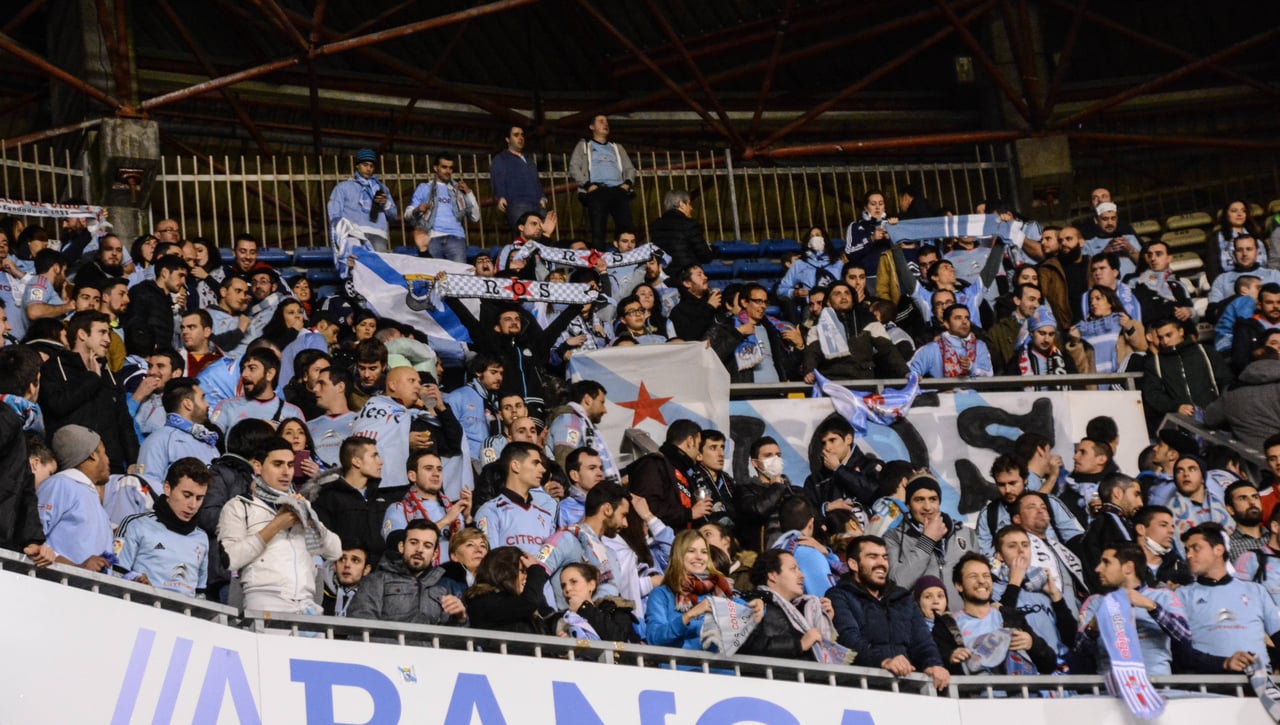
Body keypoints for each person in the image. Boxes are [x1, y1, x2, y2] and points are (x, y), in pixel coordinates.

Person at [217, 436, 342, 612]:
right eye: (278, 464)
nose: (286, 472)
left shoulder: (301, 505)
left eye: (290, 465)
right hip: (264, 603)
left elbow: (334, 551)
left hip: (307, 605)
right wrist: (275, 525)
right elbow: (231, 559)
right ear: (257, 466)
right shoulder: (239, 506)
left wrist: (309, 519)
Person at [828, 535, 950, 689]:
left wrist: (933, 664)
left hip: (908, 690)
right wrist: (884, 661)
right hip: (863, 689)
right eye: (873, 557)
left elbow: (922, 641)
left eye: (885, 558)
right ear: (853, 564)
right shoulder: (839, 596)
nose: (881, 563)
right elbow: (848, 640)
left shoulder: (903, 597)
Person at [38, 311, 137, 474]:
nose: (108, 339)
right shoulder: (54, 368)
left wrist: (133, 460)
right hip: (73, 465)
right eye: (102, 332)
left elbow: (124, 422)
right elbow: (57, 405)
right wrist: (91, 379)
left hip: (111, 467)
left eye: (109, 334)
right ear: (82, 334)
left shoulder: (109, 374)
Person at [1073, 543, 1190, 676]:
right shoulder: (1095, 602)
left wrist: (1152, 607)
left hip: (1157, 688)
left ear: (1128, 567)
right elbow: (1079, 650)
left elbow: (1184, 636)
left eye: (1106, 563)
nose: (1098, 569)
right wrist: (1093, 626)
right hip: (1111, 689)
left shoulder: (1163, 596)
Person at [1178, 522, 1280, 673]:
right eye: (1187, 550)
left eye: (1196, 548)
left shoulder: (1256, 591)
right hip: (1210, 688)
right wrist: (1223, 663)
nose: (1188, 555)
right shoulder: (1181, 595)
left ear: (1218, 550)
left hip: (1262, 686)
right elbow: (1180, 651)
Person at [933, 552, 1057, 674]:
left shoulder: (1011, 617)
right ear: (959, 585)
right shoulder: (946, 625)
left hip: (1022, 693)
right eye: (973, 576)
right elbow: (934, 664)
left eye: (986, 575)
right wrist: (950, 658)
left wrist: (1032, 644)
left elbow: (1049, 665)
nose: (981, 581)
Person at [645, 529, 760, 651]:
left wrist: (759, 604)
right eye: (691, 551)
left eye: (704, 552)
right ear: (678, 555)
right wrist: (689, 615)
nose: (699, 557)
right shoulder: (662, 594)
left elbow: (749, 610)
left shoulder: (719, 589)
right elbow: (654, 638)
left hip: (720, 668)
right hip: (681, 668)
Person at [113, 457, 211, 598]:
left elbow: (200, 596)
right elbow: (114, 576)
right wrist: (135, 582)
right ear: (167, 488)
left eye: (199, 498)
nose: (193, 505)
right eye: (187, 495)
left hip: (184, 618)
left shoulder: (202, 538)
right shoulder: (135, 525)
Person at [347, 519, 469, 625]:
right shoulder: (376, 580)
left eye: (427, 545)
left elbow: (454, 643)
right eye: (413, 542)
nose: (419, 550)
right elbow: (361, 626)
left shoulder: (447, 589)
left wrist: (460, 619)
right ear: (401, 546)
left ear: (435, 554)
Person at [884, 474, 978, 611]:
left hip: (964, 623)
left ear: (939, 502)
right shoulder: (893, 538)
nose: (927, 507)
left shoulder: (967, 534)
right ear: (908, 504)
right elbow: (898, 585)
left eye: (933, 499)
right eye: (919, 500)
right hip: (922, 625)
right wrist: (927, 541)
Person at [991, 525, 1077, 665]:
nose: (1021, 551)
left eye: (1025, 545)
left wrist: (1056, 597)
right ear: (999, 555)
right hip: (1024, 672)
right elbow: (1002, 627)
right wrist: (1014, 582)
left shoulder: (1043, 587)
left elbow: (1071, 639)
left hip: (1060, 673)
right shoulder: (993, 589)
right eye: (1012, 546)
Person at [535, 481, 630, 609]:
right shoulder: (562, 538)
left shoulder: (610, 555)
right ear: (607, 509)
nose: (626, 524)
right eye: (623, 515)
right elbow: (534, 574)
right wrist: (551, 618)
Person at [738, 549, 845, 661]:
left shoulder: (804, 610)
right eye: (793, 569)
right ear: (772, 576)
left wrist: (824, 618)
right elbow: (745, 644)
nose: (802, 575)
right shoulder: (753, 603)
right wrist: (798, 645)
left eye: (799, 569)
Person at [36, 425, 114, 571]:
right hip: (56, 589)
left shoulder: (91, 495)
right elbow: (33, 540)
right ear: (92, 454)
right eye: (105, 453)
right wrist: (77, 568)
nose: (108, 460)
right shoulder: (60, 484)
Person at [975, 455, 1083, 557]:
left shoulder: (1048, 502)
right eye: (1001, 485)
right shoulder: (988, 514)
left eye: (1012, 483)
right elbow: (985, 557)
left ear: (1025, 479)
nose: (1007, 490)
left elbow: (1075, 539)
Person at [1140, 319, 1232, 431]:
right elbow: (1153, 394)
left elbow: (1226, 381)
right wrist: (1176, 407)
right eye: (1161, 337)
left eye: (1169, 335)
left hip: (1216, 419)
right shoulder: (1155, 362)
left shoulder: (1205, 351)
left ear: (1181, 331)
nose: (1165, 341)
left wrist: (1220, 407)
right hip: (1180, 423)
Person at [382, 450, 472, 563]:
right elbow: (396, 546)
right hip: (417, 577)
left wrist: (467, 518)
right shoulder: (398, 509)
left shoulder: (453, 509)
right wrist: (445, 521)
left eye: (439, 469)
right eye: (428, 468)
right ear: (412, 476)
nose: (436, 474)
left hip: (454, 576)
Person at [311, 435, 391, 562]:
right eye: (374, 456)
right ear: (356, 461)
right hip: (343, 572)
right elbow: (322, 544)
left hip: (379, 575)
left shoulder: (381, 497)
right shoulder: (326, 497)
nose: (380, 461)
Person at [474, 441, 556, 556]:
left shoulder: (546, 516)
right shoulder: (490, 511)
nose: (543, 469)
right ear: (515, 466)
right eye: (535, 463)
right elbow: (490, 562)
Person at [628, 419, 713, 530]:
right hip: (660, 543)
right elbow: (648, 506)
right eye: (699, 445)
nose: (699, 453)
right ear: (690, 441)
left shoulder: (682, 470)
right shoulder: (653, 463)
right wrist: (689, 513)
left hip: (684, 541)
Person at [136, 378, 218, 488]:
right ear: (188, 404)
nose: (207, 404)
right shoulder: (157, 441)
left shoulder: (208, 440)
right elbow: (148, 489)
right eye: (202, 398)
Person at [569, 114, 636, 248]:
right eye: (601, 121)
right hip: (597, 190)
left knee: (626, 227)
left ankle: (629, 257)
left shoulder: (616, 147)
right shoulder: (584, 146)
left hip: (618, 189)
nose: (605, 124)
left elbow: (630, 168)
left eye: (606, 122)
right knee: (598, 229)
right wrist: (587, 185)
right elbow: (573, 166)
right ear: (592, 127)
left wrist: (627, 184)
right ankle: (599, 259)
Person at [464, 545, 551, 634]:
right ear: (504, 572)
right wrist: (535, 570)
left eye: (528, 572)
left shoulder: (524, 605)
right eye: (522, 571)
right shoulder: (483, 602)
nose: (527, 577)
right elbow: (529, 601)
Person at [408, 153, 479, 262]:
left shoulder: (458, 190)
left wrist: (469, 193)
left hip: (456, 238)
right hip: (432, 238)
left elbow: (475, 217)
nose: (448, 171)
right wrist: (417, 210)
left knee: (458, 276)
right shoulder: (424, 188)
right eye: (444, 167)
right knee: (434, 277)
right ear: (435, 168)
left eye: (451, 168)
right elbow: (407, 214)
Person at [548, 379, 620, 485]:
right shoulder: (569, 421)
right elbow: (564, 458)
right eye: (602, 402)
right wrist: (569, 492)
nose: (605, 410)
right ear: (587, 399)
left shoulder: (584, 424)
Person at [211, 348, 305, 429]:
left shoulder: (293, 413)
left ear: (270, 374)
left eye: (252, 368)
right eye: (243, 369)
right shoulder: (227, 407)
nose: (244, 374)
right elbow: (212, 436)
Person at [803, 416, 881, 512]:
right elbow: (806, 512)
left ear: (848, 439)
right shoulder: (815, 480)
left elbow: (875, 494)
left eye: (832, 440)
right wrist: (827, 508)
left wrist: (839, 469)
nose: (827, 448)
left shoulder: (871, 466)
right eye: (824, 443)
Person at [327, 148, 398, 254]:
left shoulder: (382, 188)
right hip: (352, 234)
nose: (368, 168)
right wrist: (340, 237)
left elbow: (393, 216)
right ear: (357, 165)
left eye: (371, 166)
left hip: (378, 234)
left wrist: (386, 203)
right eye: (365, 165)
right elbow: (334, 215)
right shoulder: (343, 187)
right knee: (355, 268)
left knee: (377, 268)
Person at [1081, 473, 1144, 588]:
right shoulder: (1109, 523)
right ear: (1117, 493)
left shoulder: (1106, 521)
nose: (1140, 503)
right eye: (1136, 495)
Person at [553, 563, 641, 642]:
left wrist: (584, 607)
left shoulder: (613, 610)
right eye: (563, 586)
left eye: (574, 582)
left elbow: (619, 640)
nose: (567, 589)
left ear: (591, 585)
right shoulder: (558, 621)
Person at [444, 353, 503, 462]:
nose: (499, 378)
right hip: (467, 461)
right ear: (478, 372)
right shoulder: (458, 396)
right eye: (493, 372)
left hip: (490, 463)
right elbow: (447, 430)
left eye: (501, 373)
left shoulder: (494, 402)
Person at [907, 304, 992, 378]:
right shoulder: (932, 348)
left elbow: (989, 375)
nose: (964, 322)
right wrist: (936, 391)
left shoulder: (980, 346)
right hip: (943, 395)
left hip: (976, 395)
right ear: (946, 324)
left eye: (967, 318)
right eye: (958, 318)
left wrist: (971, 367)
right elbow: (909, 374)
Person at [490, 126, 547, 236]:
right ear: (507, 139)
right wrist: (501, 196)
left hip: (536, 204)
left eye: (522, 135)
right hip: (517, 204)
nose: (520, 138)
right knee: (522, 238)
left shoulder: (529, 160)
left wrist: (542, 197)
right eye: (516, 135)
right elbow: (498, 178)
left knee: (542, 239)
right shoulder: (501, 158)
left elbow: (536, 181)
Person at [123, 254, 187, 351]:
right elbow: (134, 327)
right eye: (180, 275)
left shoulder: (165, 299)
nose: (183, 281)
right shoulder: (142, 293)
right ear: (164, 272)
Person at [647, 189, 711, 278]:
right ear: (681, 204)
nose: (691, 208)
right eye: (689, 204)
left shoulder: (655, 226)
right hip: (687, 276)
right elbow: (705, 256)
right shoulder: (689, 224)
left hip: (664, 276)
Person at [307, 366, 357, 469]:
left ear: (340, 387)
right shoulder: (307, 426)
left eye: (321, 383)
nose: (315, 389)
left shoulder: (361, 422)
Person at [555, 446, 606, 528]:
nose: (600, 473)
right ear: (574, 475)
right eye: (592, 468)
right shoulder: (562, 509)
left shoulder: (609, 504)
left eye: (601, 468)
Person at [844, 191, 892, 273]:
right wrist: (871, 239)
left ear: (884, 207)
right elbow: (849, 253)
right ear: (865, 207)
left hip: (891, 276)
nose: (877, 207)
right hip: (867, 277)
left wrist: (893, 237)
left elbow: (904, 251)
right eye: (873, 204)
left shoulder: (891, 226)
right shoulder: (855, 226)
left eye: (881, 204)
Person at [320, 544, 372, 616]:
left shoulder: (373, 599)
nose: (347, 565)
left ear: (366, 569)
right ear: (334, 565)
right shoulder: (317, 591)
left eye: (355, 560)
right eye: (342, 559)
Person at [1225, 480, 1268, 561]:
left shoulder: (1275, 537)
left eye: (1255, 497)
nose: (1252, 502)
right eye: (1243, 498)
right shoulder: (1228, 547)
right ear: (1230, 509)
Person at [177, 311, 222, 378]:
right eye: (182, 328)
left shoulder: (221, 362)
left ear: (207, 332)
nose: (184, 332)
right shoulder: (173, 358)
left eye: (191, 327)